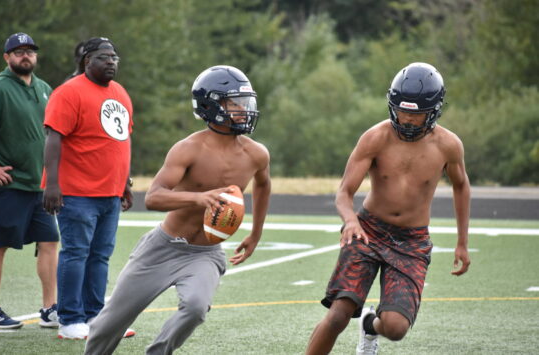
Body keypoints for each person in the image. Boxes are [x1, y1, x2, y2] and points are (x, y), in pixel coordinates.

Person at [84, 65, 271, 355]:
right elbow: (153, 198)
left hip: (205, 253)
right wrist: (198, 199)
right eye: (234, 102)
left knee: (196, 308)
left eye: (245, 102)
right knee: (109, 324)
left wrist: (256, 234)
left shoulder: (256, 153)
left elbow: (263, 186)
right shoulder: (188, 149)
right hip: (162, 248)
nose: (244, 109)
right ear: (211, 105)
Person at [306, 62, 471, 355]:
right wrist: (350, 221)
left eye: (415, 114)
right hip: (367, 231)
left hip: (412, 241)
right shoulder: (375, 138)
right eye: (401, 111)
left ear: (433, 112)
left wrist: (462, 242)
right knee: (338, 314)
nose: (406, 119)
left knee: (395, 328)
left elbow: (461, 186)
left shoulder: (449, 145)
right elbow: (344, 192)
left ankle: (371, 325)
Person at [42, 36, 135, 340]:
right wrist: (52, 184)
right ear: (87, 61)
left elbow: (121, 141)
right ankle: (70, 320)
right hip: (77, 192)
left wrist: (125, 181)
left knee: (100, 256)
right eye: (104, 57)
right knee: (76, 254)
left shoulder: (120, 92)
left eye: (115, 57)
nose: (111, 62)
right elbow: (53, 138)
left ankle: (97, 317)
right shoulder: (69, 92)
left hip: (109, 192)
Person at [0, 32, 59, 329]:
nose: (25, 56)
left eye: (30, 51)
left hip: (39, 187)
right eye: (18, 51)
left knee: (49, 242)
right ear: (7, 57)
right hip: (7, 186)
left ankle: (50, 308)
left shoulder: (44, 88)